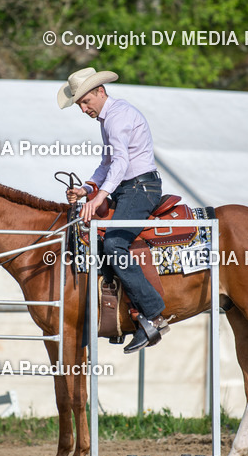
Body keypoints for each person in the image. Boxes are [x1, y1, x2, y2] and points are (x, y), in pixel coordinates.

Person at [57, 67, 168, 353]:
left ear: (100, 91)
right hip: (128, 187)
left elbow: (119, 163)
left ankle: (154, 314)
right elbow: (107, 165)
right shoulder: (109, 118)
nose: (83, 109)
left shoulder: (117, 118)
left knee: (115, 244)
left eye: (85, 102)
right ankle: (118, 316)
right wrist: (87, 188)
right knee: (94, 240)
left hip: (140, 188)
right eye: (80, 104)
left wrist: (98, 196)